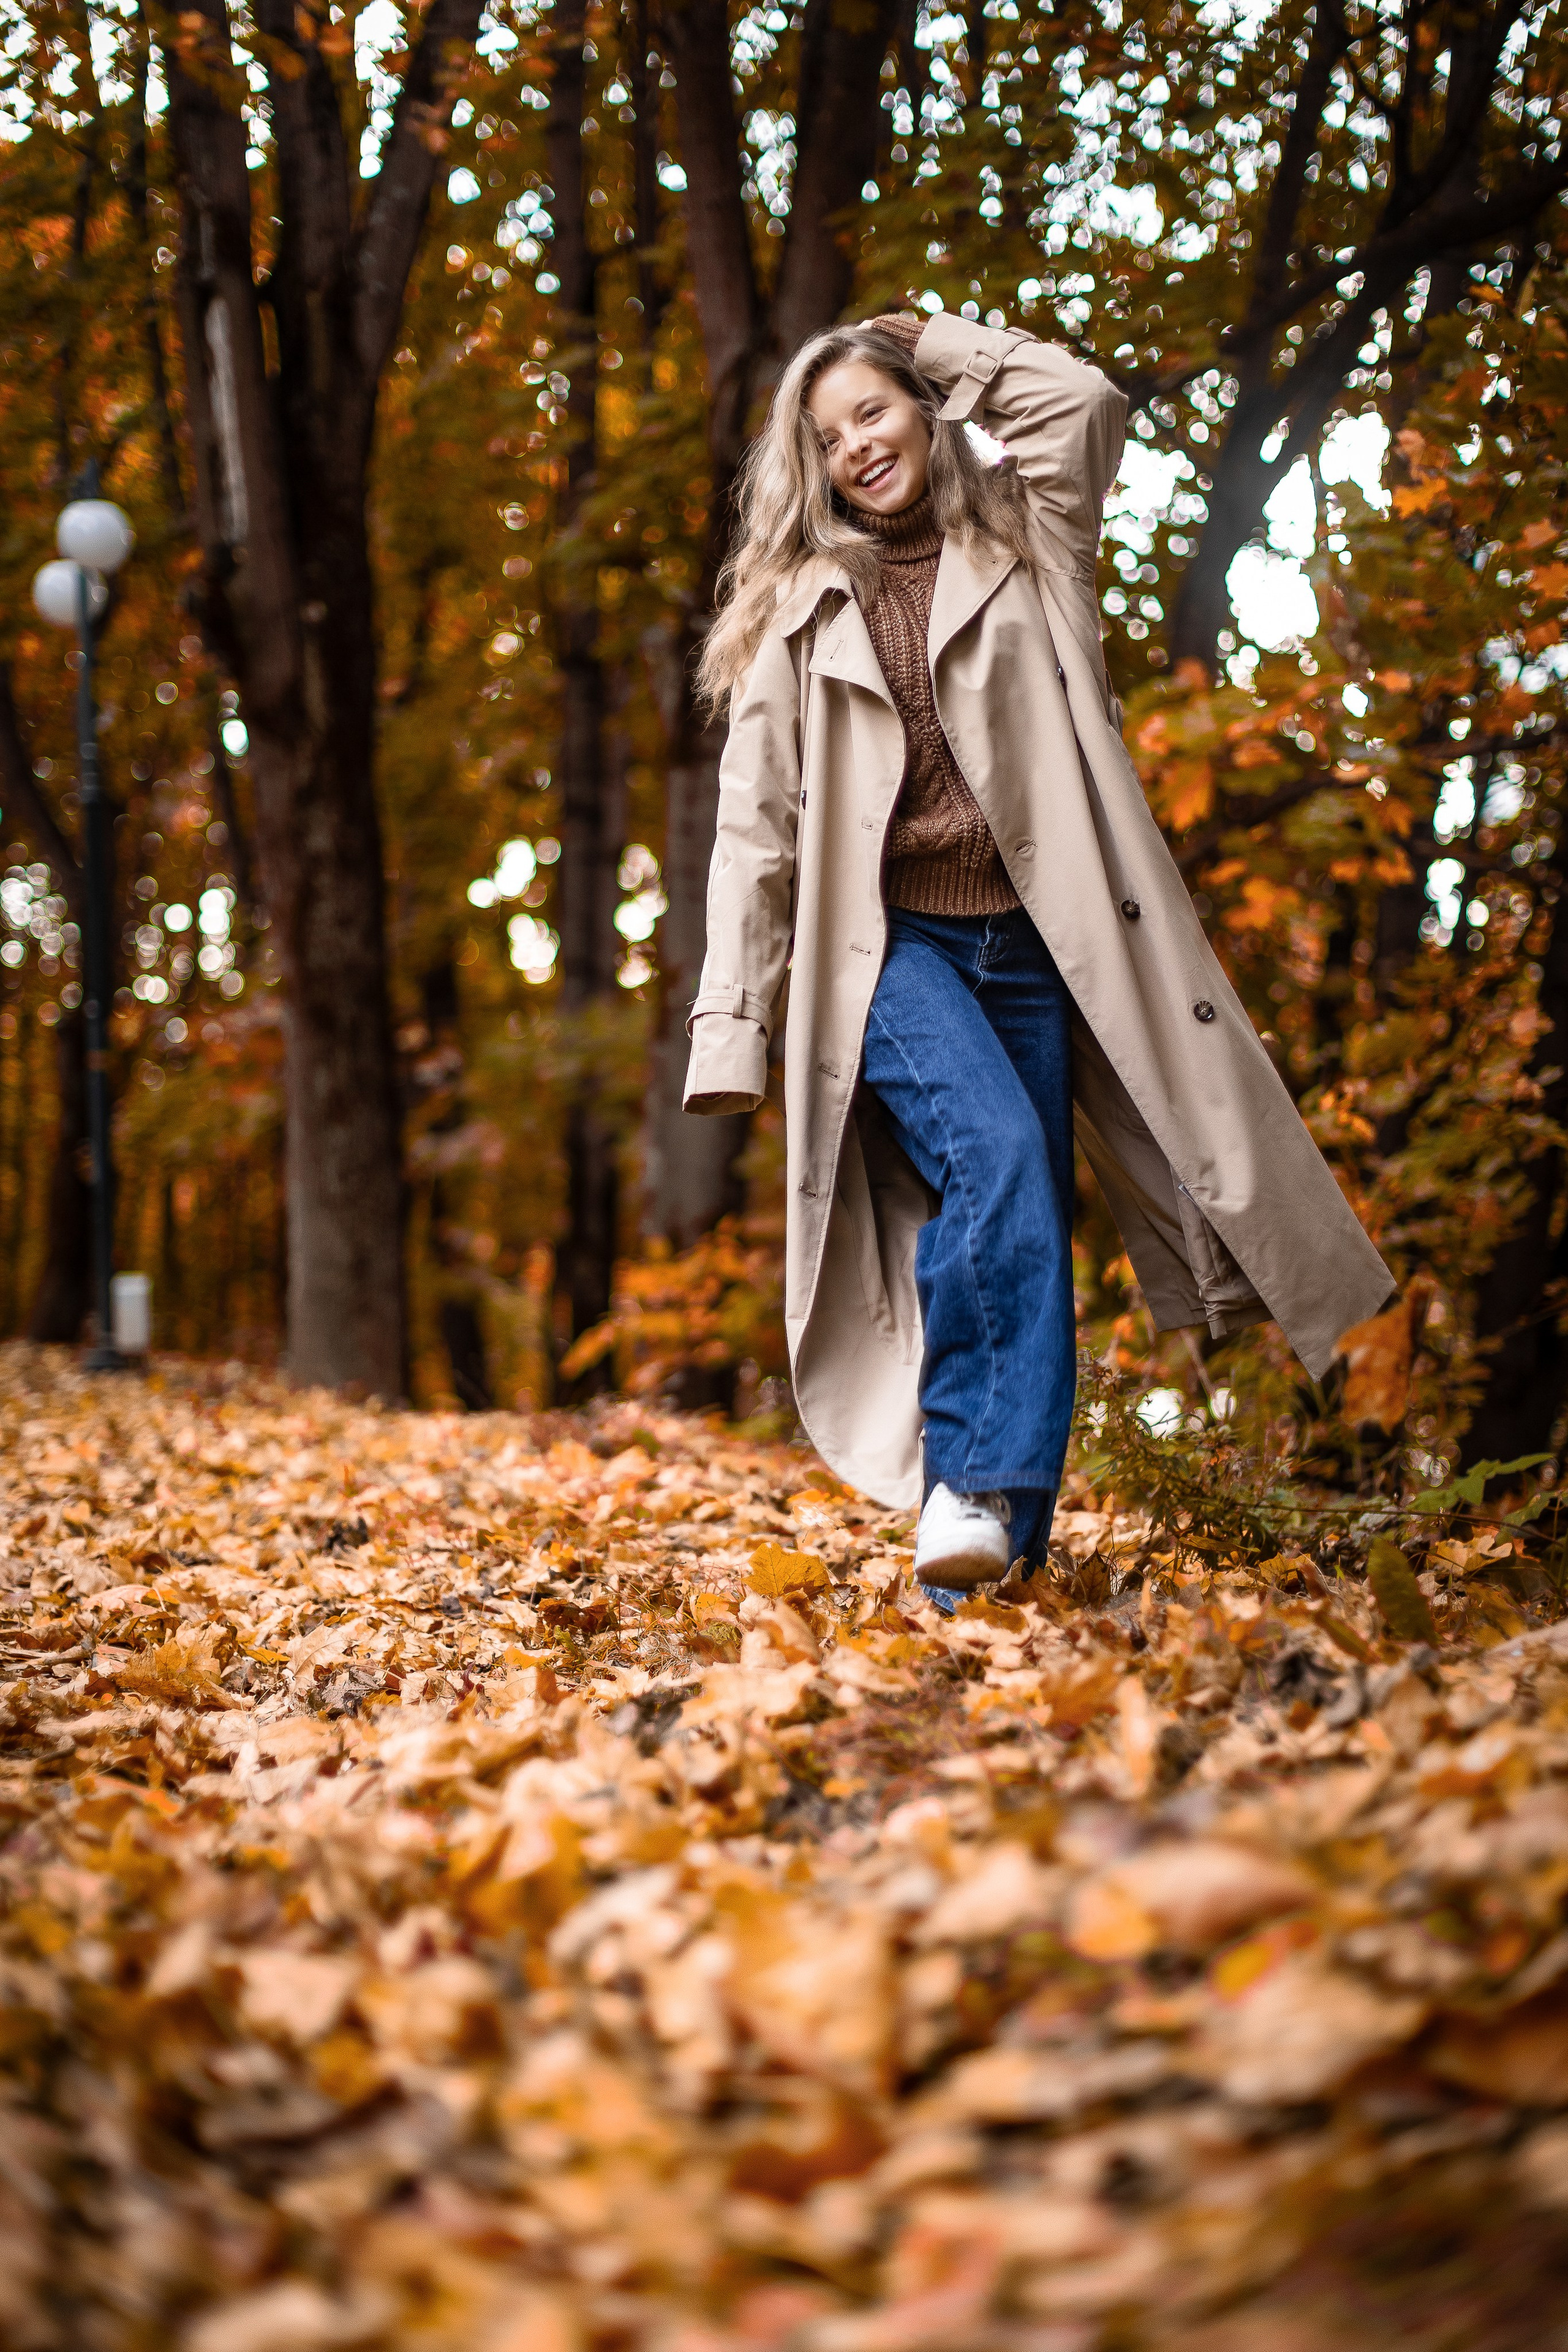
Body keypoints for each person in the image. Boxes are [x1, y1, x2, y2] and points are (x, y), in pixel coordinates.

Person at [682, 310, 1393, 1612]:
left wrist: (924, 334)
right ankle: (967, 1491)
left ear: (922, 409)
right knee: (996, 1157)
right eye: (828, 437)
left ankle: (986, 1591)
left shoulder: (1025, 550)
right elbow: (754, 833)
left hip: (1037, 948)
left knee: (1020, 1220)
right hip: (882, 953)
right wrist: (735, 1018)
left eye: (874, 412)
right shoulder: (796, 612)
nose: (855, 448)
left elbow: (1078, 405)